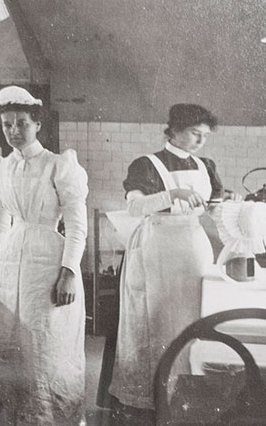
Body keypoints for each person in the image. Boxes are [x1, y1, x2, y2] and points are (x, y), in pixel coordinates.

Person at [0, 86, 88, 426]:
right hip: (7, 264)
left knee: (44, 347)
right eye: (7, 125)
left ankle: (49, 420)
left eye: (22, 123)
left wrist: (69, 271)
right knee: (8, 345)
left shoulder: (58, 166)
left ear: (37, 125)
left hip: (48, 264)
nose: (14, 131)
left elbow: (77, 226)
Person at [108, 104, 227, 424]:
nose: (200, 141)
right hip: (156, 249)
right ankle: (148, 399)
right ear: (173, 130)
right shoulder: (147, 165)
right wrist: (171, 193)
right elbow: (135, 208)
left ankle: (182, 393)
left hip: (193, 248)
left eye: (204, 136)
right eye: (194, 133)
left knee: (189, 321)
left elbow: (214, 208)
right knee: (154, 322)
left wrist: (231, 213)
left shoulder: (206, 166)